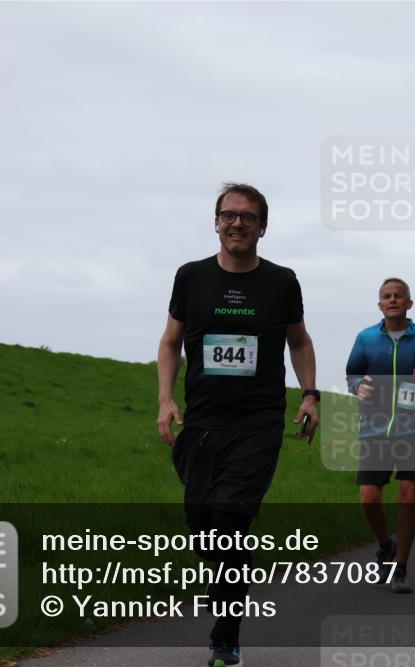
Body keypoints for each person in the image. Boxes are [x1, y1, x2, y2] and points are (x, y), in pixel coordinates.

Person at [157, 183, 319, 667]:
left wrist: (310, 394)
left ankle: (224, 639)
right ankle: (232, 572)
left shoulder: (282, 282)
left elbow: (299, 342)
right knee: (203, 526)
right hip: (202, 421)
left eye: (248, 217)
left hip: (259, 421)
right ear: (216, 222)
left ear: (262, 227)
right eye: (228, 215)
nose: (237, 224)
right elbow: (170, 341)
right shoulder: (191, 277)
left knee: (229, 518)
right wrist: (165, 399)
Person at [346, 277, 415, 593]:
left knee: (407, 498)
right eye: (386, 296)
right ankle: (384, 544)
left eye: (398, 296)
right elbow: (352, 375)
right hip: (374, 429)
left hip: (412, 429)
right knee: (369, 499)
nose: (392, 300)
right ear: (379, 304)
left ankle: (400, 568)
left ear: (409, 303)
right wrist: (358, 386)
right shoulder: (365, 338)